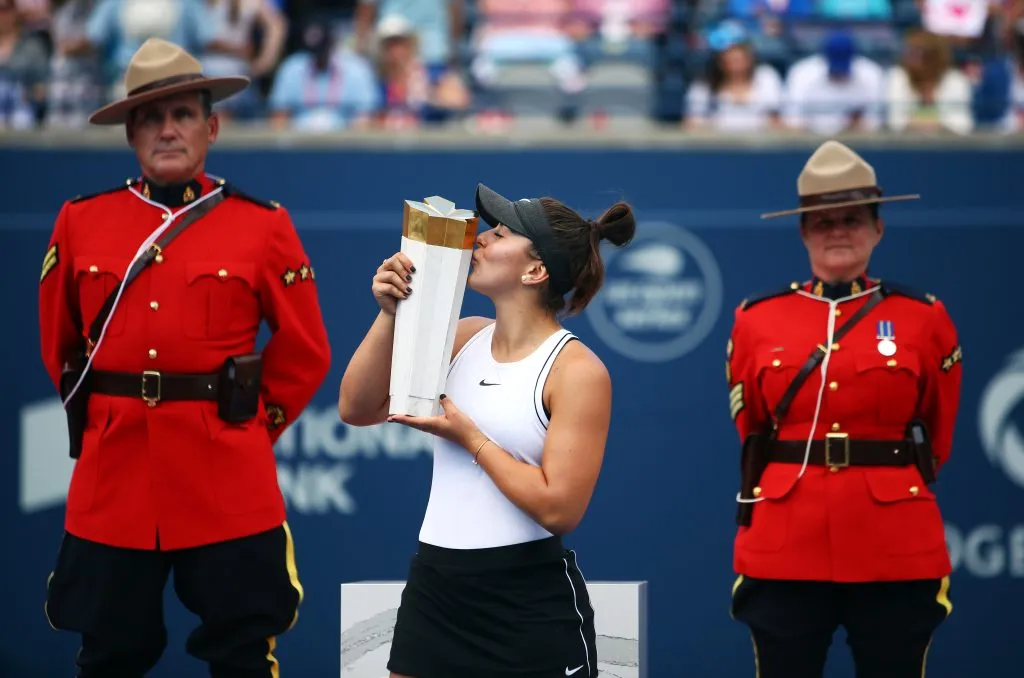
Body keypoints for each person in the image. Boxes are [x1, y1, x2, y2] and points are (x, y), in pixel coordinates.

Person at [38, 37, 331, 678]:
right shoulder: (81, 221)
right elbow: (60, 347)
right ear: (130, 133)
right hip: (113, 478)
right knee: (108, 654)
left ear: (212, 126)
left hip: (225, 472)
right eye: (150, 117)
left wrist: (249, 427)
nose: (168, 129)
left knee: (243, 650)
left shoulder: (263, 224)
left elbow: (306, 351)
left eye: (184, 115)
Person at [337, 183, 636, 678]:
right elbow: (357, 406)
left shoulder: (577, 370)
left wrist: (471, 439)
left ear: (535, 270)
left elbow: (559, 508)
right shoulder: (463, 335)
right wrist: (390, 314)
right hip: (435, 585)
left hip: (528, 601)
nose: (479, 240)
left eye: (497, 234)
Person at [726, 139, 962, 678]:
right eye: (823, 220)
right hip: (786, 538)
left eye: (852, 219)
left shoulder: (924, 318)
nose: (838, 231)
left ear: (878, 228)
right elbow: (753, 427)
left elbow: (938, 432)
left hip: (894, 540)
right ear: (803, 231)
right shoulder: (757, 319)